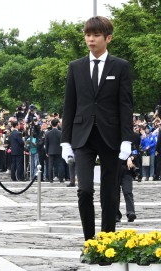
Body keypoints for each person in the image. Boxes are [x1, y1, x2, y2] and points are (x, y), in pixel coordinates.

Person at [61, 16, 134, 240]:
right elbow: (69, 104)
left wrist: (126, 138)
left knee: (109, 193)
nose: (90, 40)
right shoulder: (76, 67)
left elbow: (125, 104)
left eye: (95, 35)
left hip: (110, 136)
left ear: (108, 38)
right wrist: (65, 141)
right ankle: (90, 242)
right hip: (82, 136)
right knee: (84, 190)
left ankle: (107, 240)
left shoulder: (120, 66)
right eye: (87, 35)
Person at [45, 119, 65, 183]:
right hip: (59, 150)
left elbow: (46, 143)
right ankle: (61, 179)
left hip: (50, 150)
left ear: (51, 124)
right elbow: (62, 142)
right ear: (57, 124)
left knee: (50, 165)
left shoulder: (48, 133)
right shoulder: (60, 132)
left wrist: (46, 151)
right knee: (60, 164)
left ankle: (51, 179)